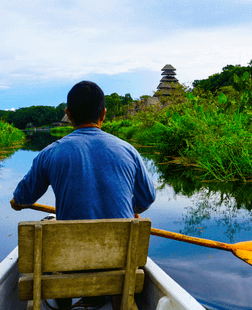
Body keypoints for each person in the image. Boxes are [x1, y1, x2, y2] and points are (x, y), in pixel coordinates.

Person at [10, 81, 156, 220]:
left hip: (71, 245)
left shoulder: (48, 154)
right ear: (103, 114)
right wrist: (130, 208)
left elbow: (23, 198)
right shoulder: (129, 151)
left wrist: (16, 202)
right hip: (120, 245)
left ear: (68, 114)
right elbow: (147, 198)